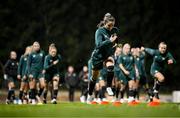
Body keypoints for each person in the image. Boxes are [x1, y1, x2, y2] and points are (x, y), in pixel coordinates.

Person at [87, 14, 118, 104]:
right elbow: (98, 45)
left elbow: (115, 41)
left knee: (111, 66)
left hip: (108, 55)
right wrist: (109, 41)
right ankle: (89, 95)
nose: (111, 27)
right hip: (98, 56)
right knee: (94, 77)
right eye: (109, 25)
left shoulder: (114, 30)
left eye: (112, 25)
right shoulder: (99, 31)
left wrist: (115, 46)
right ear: (105, 23)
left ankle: (108, 87)